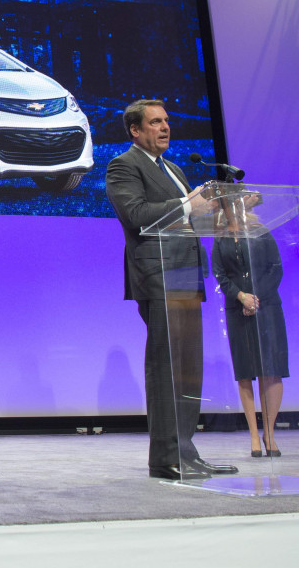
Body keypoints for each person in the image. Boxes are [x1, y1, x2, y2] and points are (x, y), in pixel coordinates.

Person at [106, 99, 238, 480]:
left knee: (188, 369)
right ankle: (166, 456)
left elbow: (190, 215)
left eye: (166, 121)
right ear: (135, 130)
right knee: (166, 367)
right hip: (158, 275)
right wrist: (186, 204)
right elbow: (135, 214)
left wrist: (220, 212)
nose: (165, 127)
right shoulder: (124, 165)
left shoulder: (175, 168)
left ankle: (186, 449)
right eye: (155, 122)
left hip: (185, 274)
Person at [212, 200, 289, 458]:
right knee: (246, 371)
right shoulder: (220, 239)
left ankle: (270, 433)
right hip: (238, 310)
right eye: (230, 204)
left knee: (272, 369)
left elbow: (274, 269)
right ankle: (254, 436)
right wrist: (241, 297)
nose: (235, 208)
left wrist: (255, 297)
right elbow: (220, 275)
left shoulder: (261, 231)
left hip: (267, 307)